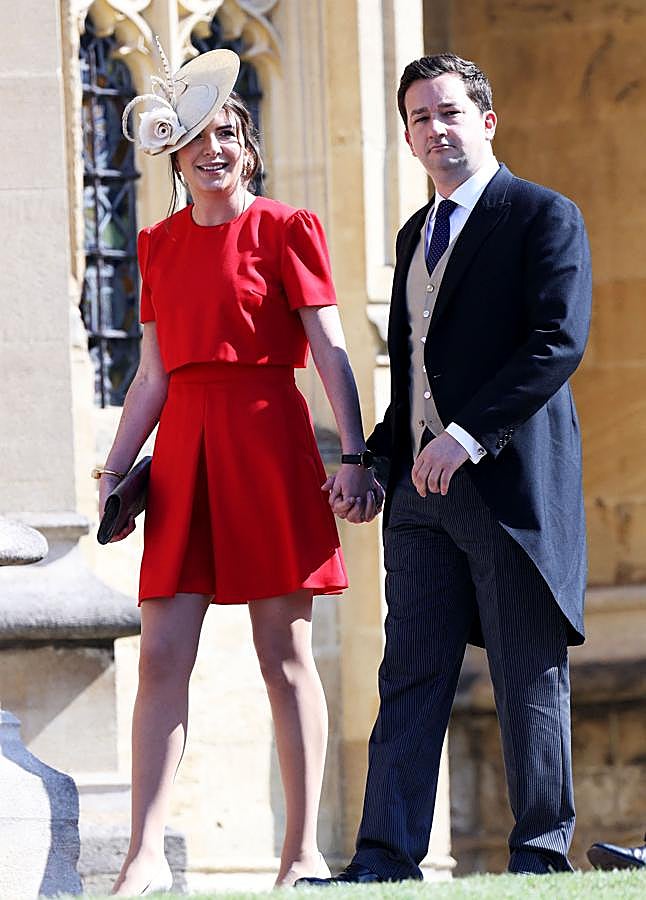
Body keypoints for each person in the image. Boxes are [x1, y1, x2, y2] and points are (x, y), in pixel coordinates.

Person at [95, 43, 383, 896]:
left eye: (225, 133)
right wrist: (117, 471)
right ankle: (145, 856)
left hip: (268, 440)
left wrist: (357, 455)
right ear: (174, 157)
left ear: (246, 143)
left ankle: (302, 854)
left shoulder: (289, 229)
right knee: (161, 656)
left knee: (283, 652)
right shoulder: (155, 246)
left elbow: (330, 350)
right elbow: (150, 374)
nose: (212, 150)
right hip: (182, 451)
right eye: (194, 139)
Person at [298, 53, 592, 884]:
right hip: (422, 502)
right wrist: (370, 462)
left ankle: (540, 859)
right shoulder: (412, 235)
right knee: (410, 671)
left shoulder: (541, 215)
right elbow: (419, 379)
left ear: (486, 121)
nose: (438, 129)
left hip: (506, 488)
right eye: (422, 118)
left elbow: (556, 344)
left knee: (526, 671)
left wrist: (467, 435)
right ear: (406, 136)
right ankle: (384, 860)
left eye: (452, 112)